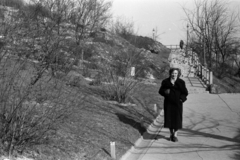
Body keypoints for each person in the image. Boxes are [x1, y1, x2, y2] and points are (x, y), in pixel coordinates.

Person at [159, 68, 188, 142]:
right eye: (172, 73)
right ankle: (171, 133)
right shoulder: (165, 82)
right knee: (169, 120)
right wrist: (165, 91)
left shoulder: (181, 82)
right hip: (168, 104)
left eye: (175, 73)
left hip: (178, 104)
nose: (174, 74)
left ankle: (175, 134)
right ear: (170, 73)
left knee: (177, 120)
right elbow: (160, 91)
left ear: (178, 74)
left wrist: (181, 99)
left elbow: (185, 93)